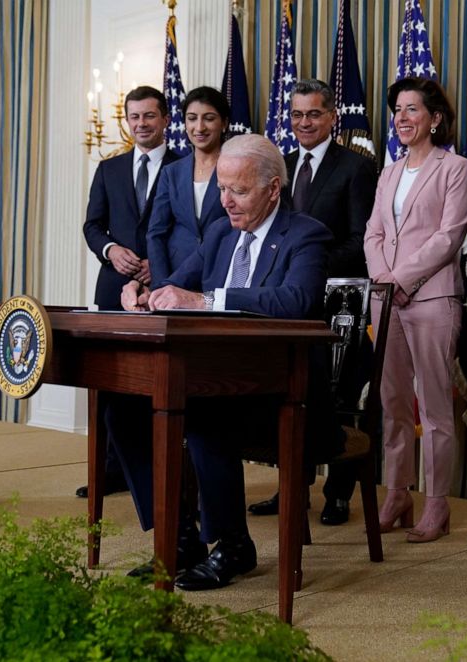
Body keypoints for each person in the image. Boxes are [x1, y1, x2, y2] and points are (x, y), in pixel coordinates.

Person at [121, 134, 341, 590]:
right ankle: (181, 539)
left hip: (286, 395)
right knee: (123, 408)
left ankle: (232, 544)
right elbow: (178, 285)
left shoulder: (306, 234)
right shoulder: (220, 232)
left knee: (201, 417)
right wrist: (146, 295)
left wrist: (205, 299)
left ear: (273, 189)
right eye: (221, 189)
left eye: (238, 191)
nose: (225, 201)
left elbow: (296, 301)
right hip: (219, 382)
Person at [247, 78, 377, 527]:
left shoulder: (356, 168)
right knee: (290, 392)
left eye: (314, 114)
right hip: (286, 301)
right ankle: (292, 492)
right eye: (297, 114)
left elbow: (362, 240)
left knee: (338, 396)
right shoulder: (277, 165)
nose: (304, 122)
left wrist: (310, 266)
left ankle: (338, 494)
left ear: (332, 117)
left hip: (338, 299)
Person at [363, 77, 467, 543]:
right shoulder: (388, 171)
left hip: (431, 299)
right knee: (390, 404)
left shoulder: (456, 168)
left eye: (412, 109)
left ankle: (436, 504)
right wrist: (384, 281)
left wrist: (402, 279)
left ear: (435, 117)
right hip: (385, 302)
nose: (402, 118)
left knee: (433, 407)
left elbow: (449, 237)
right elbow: (372, 234)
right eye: (397, 110)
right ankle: (397, 494)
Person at [80, 86, 178, 498]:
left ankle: (159, 470)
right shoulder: (109, 169)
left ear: (166, 120)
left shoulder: (186, 165)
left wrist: (161, 263)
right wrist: (111, 249)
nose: (141, 124)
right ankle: (109, 471)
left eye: (149, 116)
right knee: (109, 380)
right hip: (113, 286)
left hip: (165, 285)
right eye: (134, 117)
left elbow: (192, 228)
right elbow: (92, 225)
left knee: (157, 379)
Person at [146, 86, 230, 289]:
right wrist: (161, 285)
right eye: (192, 118)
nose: (199, 127)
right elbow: (156, 233)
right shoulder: (171, 172)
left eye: (209, 118)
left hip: (224, 272)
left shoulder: (236, 168)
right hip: (177, 275)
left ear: (224, 123)